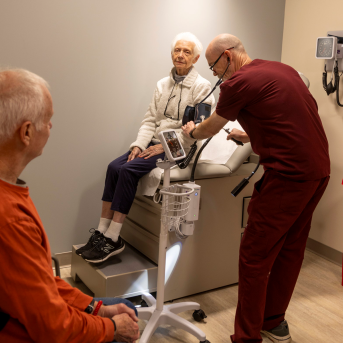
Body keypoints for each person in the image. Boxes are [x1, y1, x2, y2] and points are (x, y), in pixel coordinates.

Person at [182, 34, 330, 343]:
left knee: (253, 256)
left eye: (213, 67)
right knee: (290, 250)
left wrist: (192, 132)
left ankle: (247, 337)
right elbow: (295, 115)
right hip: (317, 172)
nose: (215, 74)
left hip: (288, 176)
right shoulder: (283, 69)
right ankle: (273, 322)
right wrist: (250, 136)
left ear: (227, 56)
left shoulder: (237, 83)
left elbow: (210, 127)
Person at [0, 69, 140, 343]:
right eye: (48, 120)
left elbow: (36, 281)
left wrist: (95, 307)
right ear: (26, 132)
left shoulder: (11, 196)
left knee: (126, 308)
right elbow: (53, 327)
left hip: (26, 308)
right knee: (129, 317)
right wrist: (112, 328)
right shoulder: (11, 219)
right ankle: (108, 234)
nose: (51, 127)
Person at [78, 32, 215, 263]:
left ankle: (113, 238)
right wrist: (138, 146)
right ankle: (101, 232)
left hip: (180, 148)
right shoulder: (162, 84)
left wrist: (164, 147)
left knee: (128, 170)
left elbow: (197, 128)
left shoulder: (203, 87)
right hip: (154, 144)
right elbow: (150, 119)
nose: (180, 55)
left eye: (186, 52)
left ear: (196, 58)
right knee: (114, 167)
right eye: (177, 50)